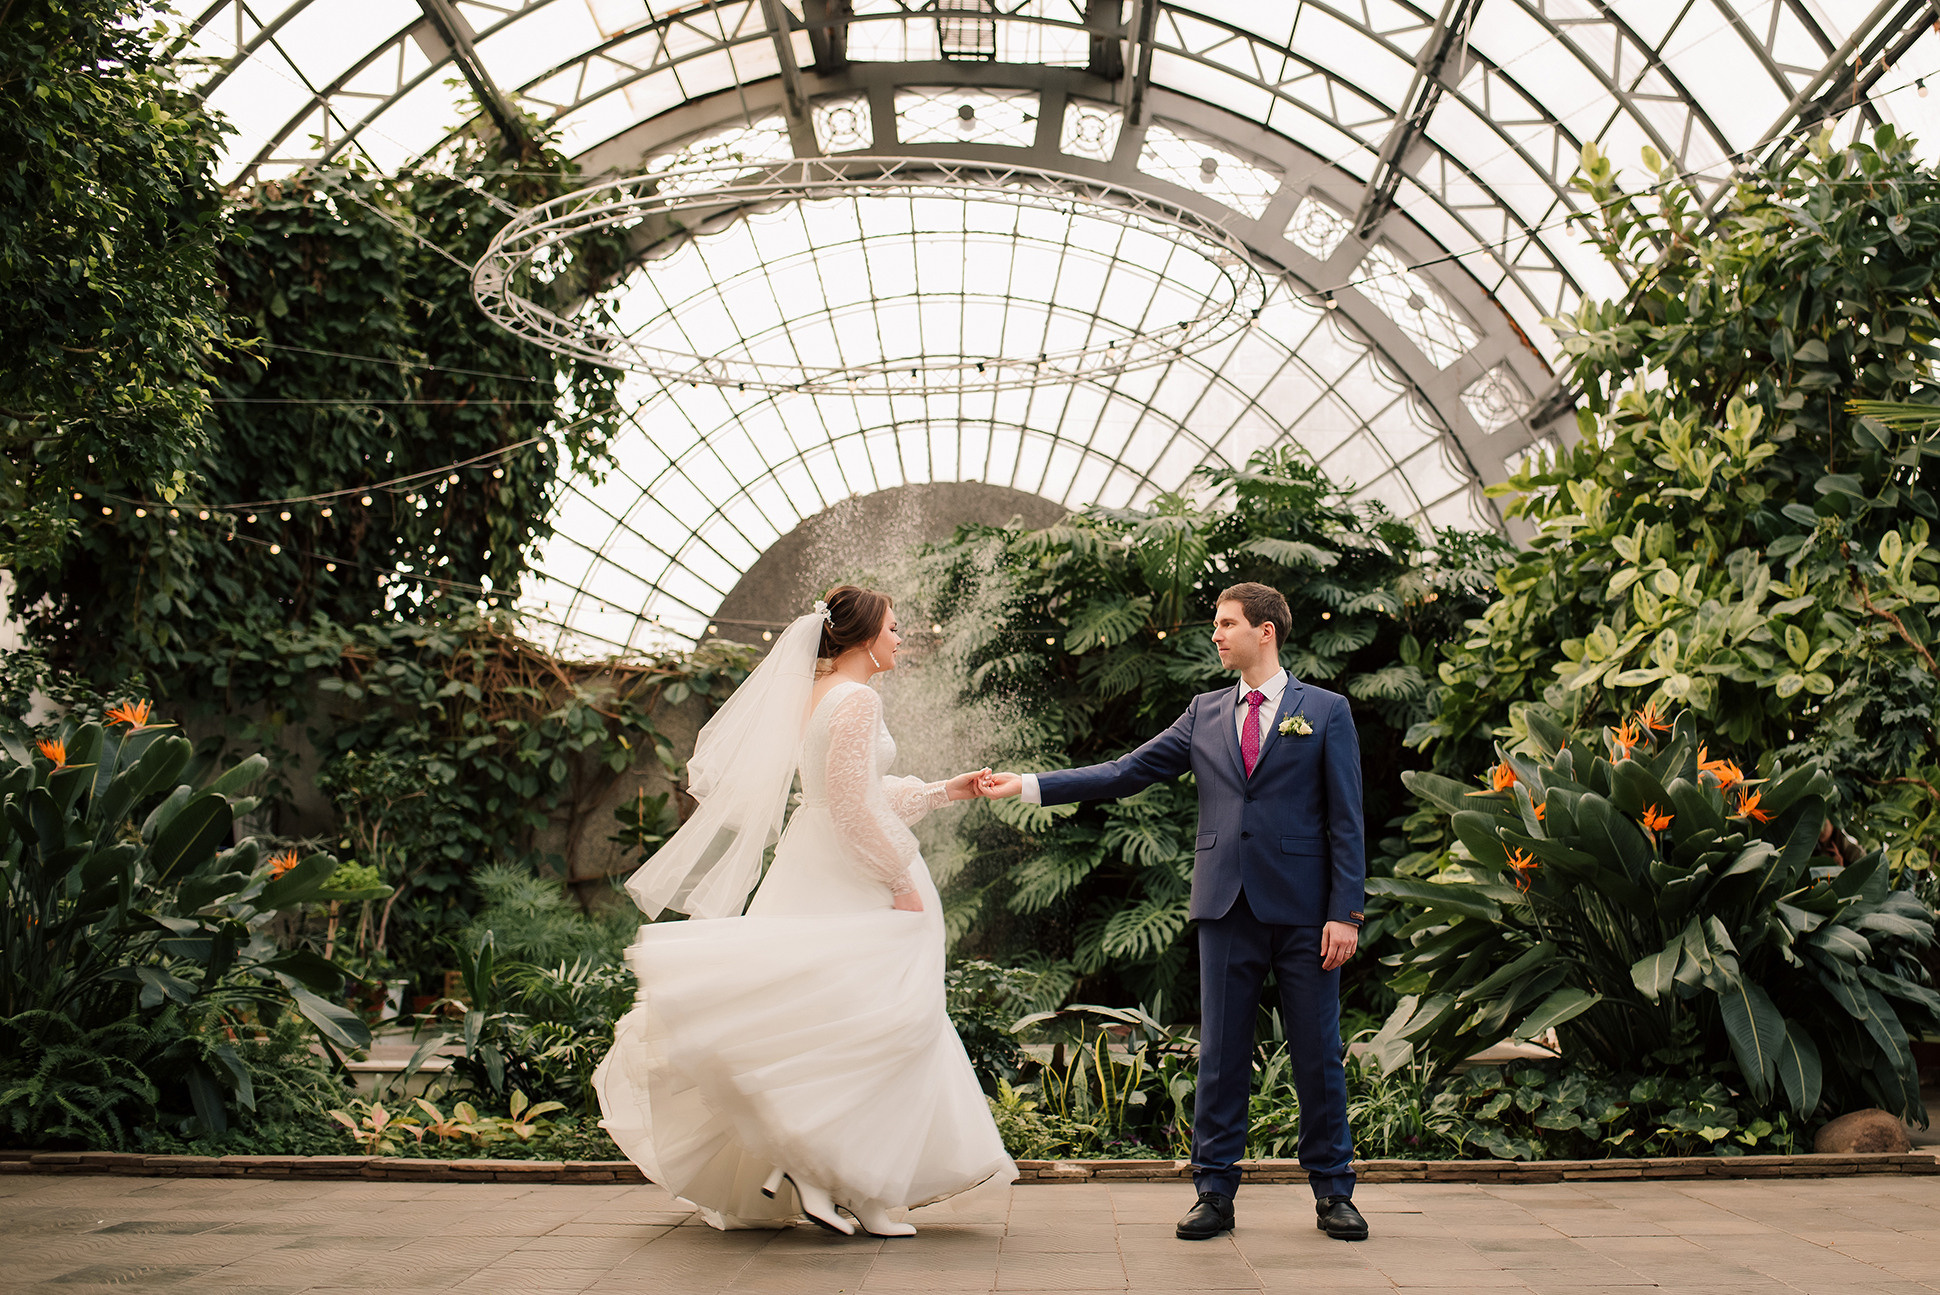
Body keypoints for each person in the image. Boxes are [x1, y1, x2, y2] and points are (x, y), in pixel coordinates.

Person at [594, 586, 1015, 1238]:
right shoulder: (859, 699)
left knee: (832, 1026)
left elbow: (849, 794)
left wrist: (943, 791)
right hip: (852, 877)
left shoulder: (820, 694)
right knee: (880, 1029)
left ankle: (836, 1178)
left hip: (815, 861)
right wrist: (898, 880)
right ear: (865, 636)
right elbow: (852, 806)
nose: (900, 638)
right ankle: (856, 1185)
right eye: (894, 628)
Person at [980, 582, 1368, 1242]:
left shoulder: (1326, 711)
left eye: (1227, 623)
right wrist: (1030, 785)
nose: (1215, 634)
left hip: (1307, 912)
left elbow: (1347, 820)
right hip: (1225, 905)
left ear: (1266, 631)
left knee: (1317, 1053)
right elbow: (1125, 772)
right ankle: (1213, 1189)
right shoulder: (1204, 711)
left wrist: (1346, 913)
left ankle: (1334, 1189)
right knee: (1219, 1052)